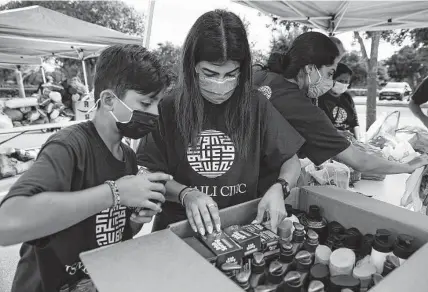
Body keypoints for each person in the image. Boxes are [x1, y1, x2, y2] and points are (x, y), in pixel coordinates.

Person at [0, 44, 172, 292]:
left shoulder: (128, 157)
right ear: (109, 100)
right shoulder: (69, 147)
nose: (155, 113)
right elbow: (7, 224)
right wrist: (115, 193)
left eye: (158, 104)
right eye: (146, 103)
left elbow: (115, 233)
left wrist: (138, 217)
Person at [137, 10, 305, 234]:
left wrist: (280, 187)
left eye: (230, 74)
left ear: (243, 69)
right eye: (210, 73)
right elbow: (147, 174)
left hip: (242, 227)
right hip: (180, 229)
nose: (220, 84)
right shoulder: (168, 106)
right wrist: (185, 194)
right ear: (192, 65)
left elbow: (291, 161)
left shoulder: (256, 104)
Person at [253, 32, 428, 190]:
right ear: (310, 68)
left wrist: (333, 134)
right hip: (261, 190)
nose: (330, 81)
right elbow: (360, 161)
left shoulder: (261, 77)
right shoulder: (301, 108)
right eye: (330, 73)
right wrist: (407, 166)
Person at [319, 63, 361, 140]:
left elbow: (354, 123)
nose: (343, 84)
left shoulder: (347, 97)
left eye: (346, 81)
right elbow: (317, 126)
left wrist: (358, 141)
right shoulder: (319, 98)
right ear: (331, 79)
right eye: (340, 80)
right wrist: (337, 133)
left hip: (348, 143)